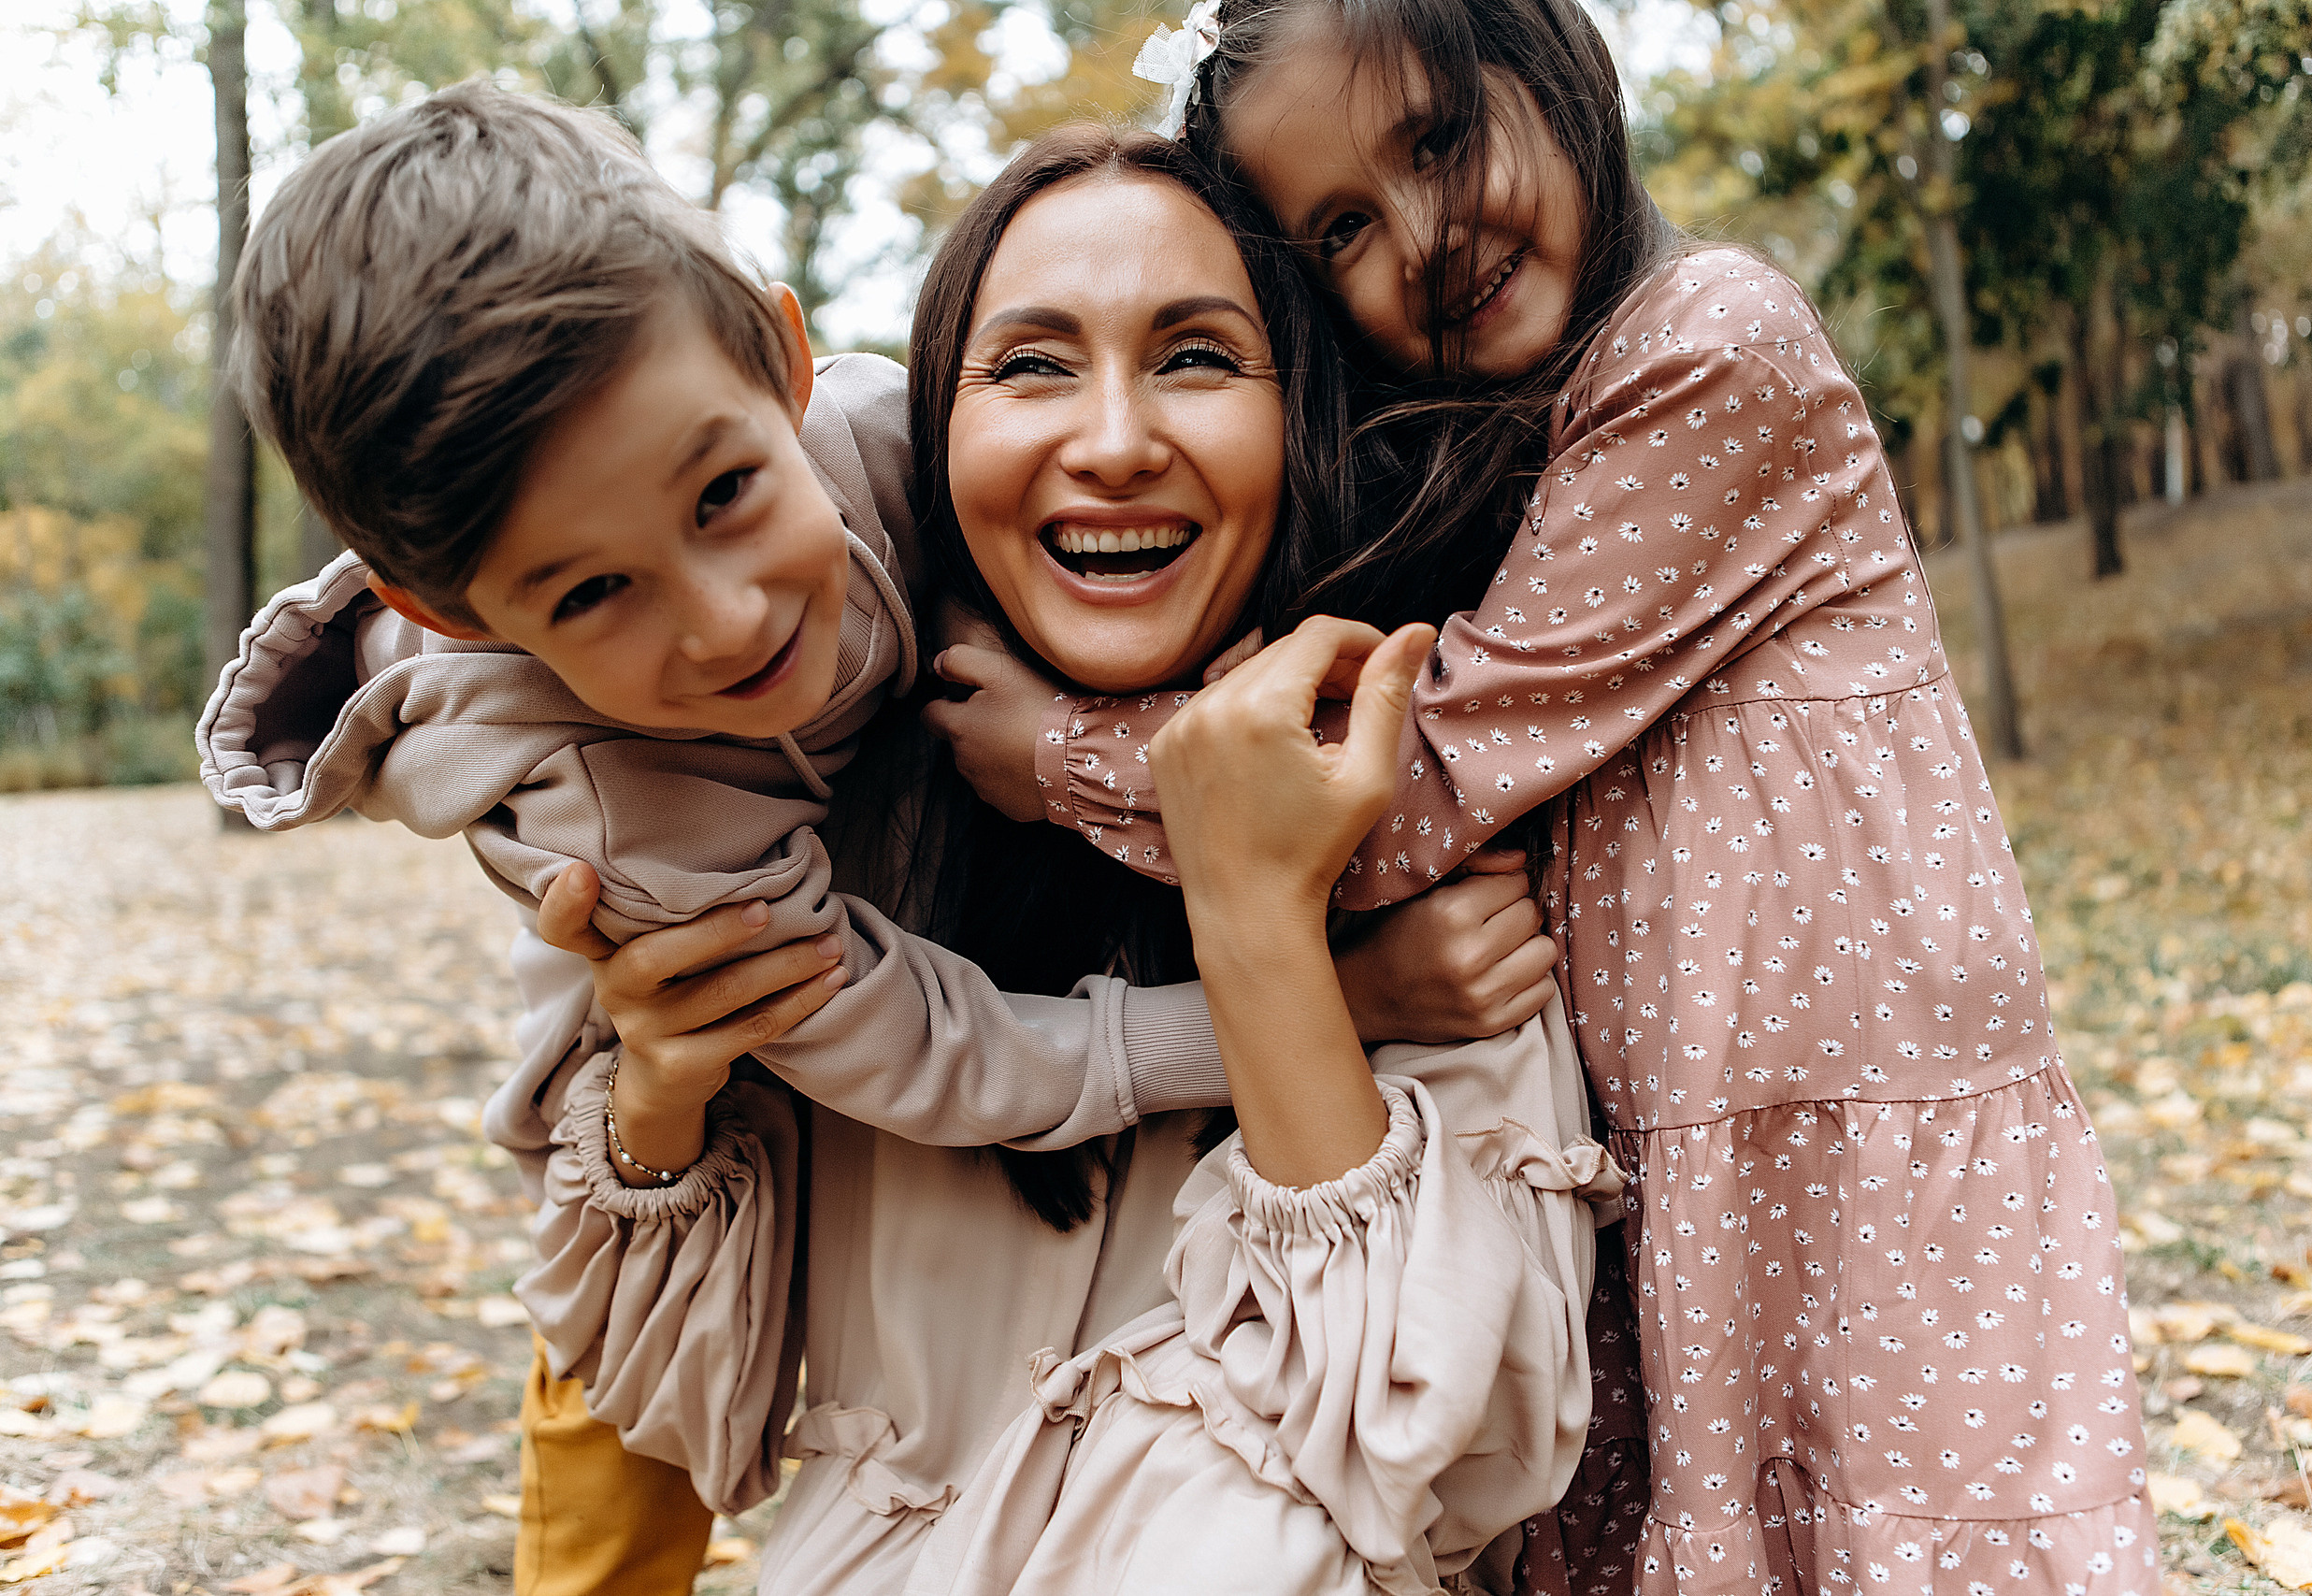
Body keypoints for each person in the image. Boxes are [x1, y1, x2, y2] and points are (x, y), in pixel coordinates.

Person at [190, 84, 1524, 1591]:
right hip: (693, 972)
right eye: (589, 595)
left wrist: (1058, 748)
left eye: (728, 495)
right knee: (611, 1344)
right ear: (451, 611)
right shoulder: (627, 825)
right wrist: (1329, 1002)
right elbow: (939, 1053)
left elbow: (985, 547)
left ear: (785, 359)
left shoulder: (899, 433)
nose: (731, 617)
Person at [931, 3, 2161, 1592]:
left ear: (1553, 65)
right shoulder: (1527, 434)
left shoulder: (1714, 348)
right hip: (1686, 1150)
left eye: (1438, 141)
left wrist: (1058, 755)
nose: (1426, 239)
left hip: (1844, 1148)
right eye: (1343, 231)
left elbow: (1410, 782)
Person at [526, 124, 1623, 1595]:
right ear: (933, 431)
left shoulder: (1410, 815)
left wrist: (1262, 921)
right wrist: (664, 1087)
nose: (1111, 442)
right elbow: (672, 1406)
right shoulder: (811, 815)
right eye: (1031, 365)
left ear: (1296, 418)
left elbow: (1420, 1451)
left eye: (1196, 357)